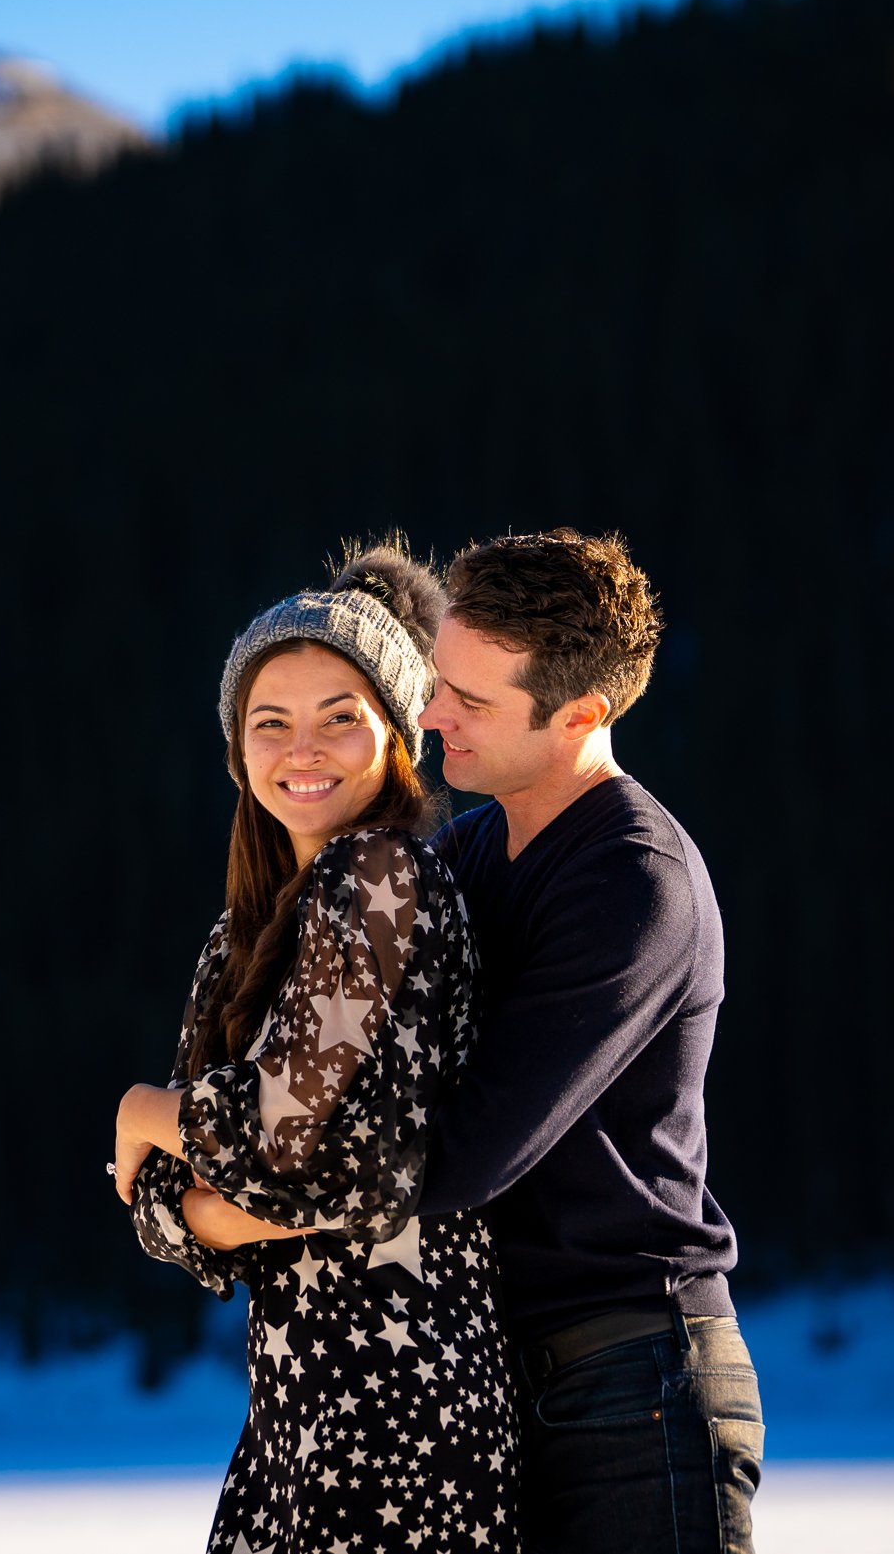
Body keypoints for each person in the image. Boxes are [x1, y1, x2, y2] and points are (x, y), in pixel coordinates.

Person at [112, 544, 521, 1554]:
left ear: (398, 739)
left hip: (403, 1420)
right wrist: (211, 1197)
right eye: (272, 722)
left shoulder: (380, 877)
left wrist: (148, 1114)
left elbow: (327, 1162)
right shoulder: (240, 934)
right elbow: (166, 1211)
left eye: (342, 715)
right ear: (237, 750)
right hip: (297, 1417)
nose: (306, 747)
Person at [411, 529, 763, 1554]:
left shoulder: (631, 876)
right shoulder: (471, 845)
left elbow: (462, 1154)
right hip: (509, 1371)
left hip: (635, 1374)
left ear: (581, 714)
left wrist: (257, 1183)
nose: (431, 714)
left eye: (470, 702)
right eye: (439, 681)